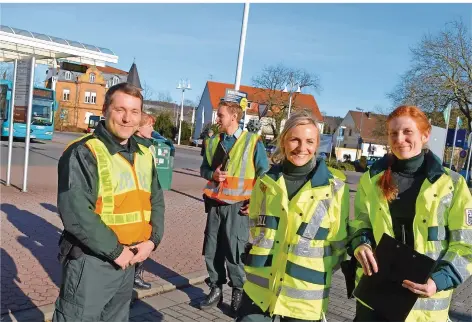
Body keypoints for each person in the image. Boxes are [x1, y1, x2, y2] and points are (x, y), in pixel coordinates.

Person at [52, 83, 165, 322]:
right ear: (105, 111)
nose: (127, 118)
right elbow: (77, 213)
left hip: (130, 260)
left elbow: (156, 200)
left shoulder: (144, 154)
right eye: (120, 110)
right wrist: (116, 251)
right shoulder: (84, 152)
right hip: (93, 261)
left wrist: (152, 241)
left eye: (135, 112)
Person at [349, 105, 472, 322]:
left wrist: (438, 281)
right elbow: (361, 222)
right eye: (393, 133)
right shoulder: (372, 179)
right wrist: (361, 244)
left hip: (425, 305)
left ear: (425, 135)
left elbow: (465, 246)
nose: (400, 139)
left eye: (408, 132)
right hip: (376, 297)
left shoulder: (452, 185)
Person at [236, 110, 350, 322]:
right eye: (294, 140)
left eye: (309, 141)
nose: (301, 148)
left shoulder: (335, 188)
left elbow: (338, 245)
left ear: (317, 144)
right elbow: (256, 231)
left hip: (304, 298)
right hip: (260, 291)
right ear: (283, 141)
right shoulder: (265, 184)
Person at [199, 100, 269, 314]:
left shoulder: (252, 141)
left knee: (235, 250)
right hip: (215, 205)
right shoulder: (212, 142)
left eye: (220, 115)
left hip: (238, 207)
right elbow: (204, 169)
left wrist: (255, 203)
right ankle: (216, 288)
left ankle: (239, 291)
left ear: (233, 117)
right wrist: (212, 174)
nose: (217, 119)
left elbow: (264, 176)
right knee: (212, 248)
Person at [131, 112, 158, 290]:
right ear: (139, 128)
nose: (153, 129)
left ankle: (137, 275)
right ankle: (131, 281)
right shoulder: (133, 148)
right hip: (134, 202)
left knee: (143, 240)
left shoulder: (149, 148)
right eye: (149, 126)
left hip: (146, 202)